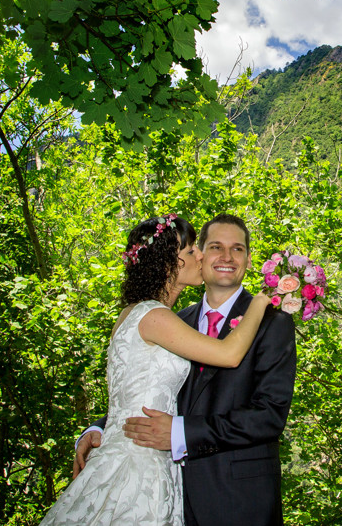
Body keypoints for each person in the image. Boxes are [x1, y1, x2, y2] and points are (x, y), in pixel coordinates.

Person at [42, 214, 271, 526]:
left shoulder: (140, 315)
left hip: (149, 459)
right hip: (140, 465)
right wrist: (261, 301)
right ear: (169, 264)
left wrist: (97, 428)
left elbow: (136, 391)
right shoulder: (156, 318)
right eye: (192, 252)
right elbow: (230, 354)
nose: (201, 256)